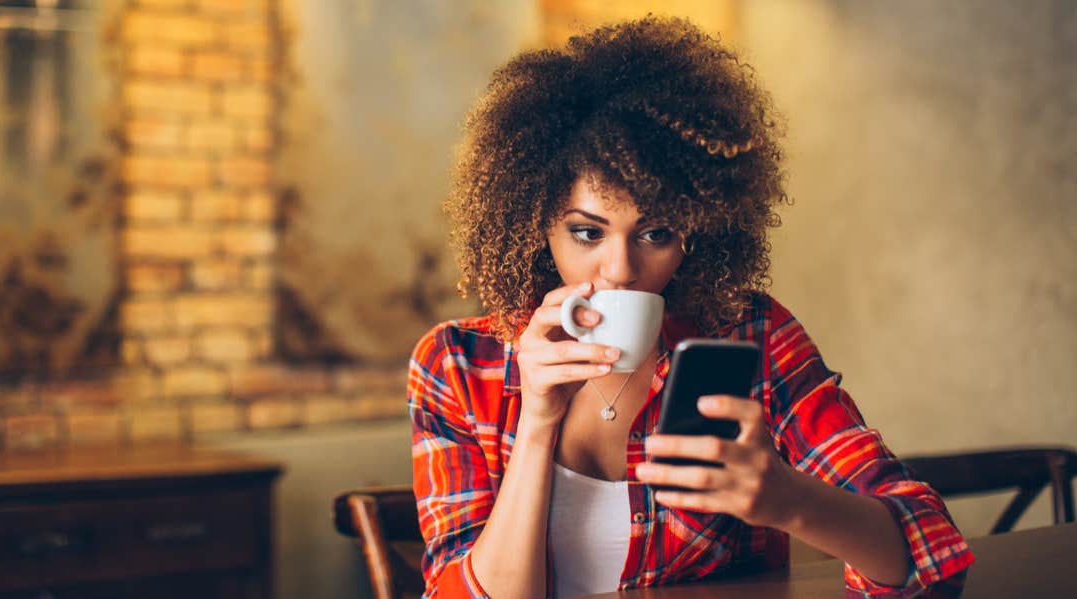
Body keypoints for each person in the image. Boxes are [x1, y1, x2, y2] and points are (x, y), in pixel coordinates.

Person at [407, 16, 972, 599]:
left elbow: (931, 556)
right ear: (535, 224)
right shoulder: (457, 366)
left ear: (699, 231)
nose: (622, 269)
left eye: (655, 233)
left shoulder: (749, 337)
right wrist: (537, 424)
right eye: (586, 233)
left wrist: (789, 499)